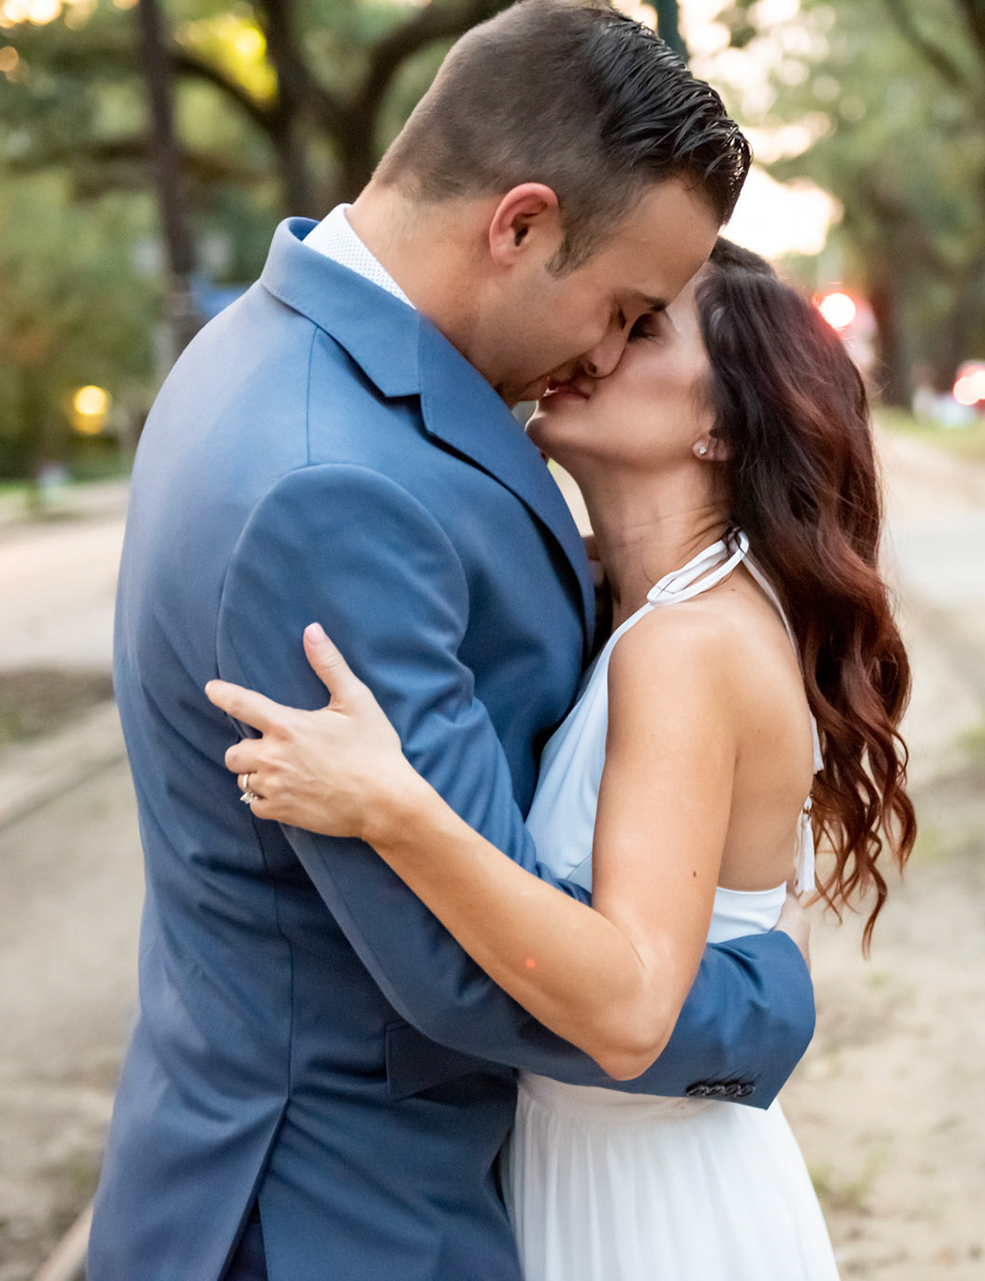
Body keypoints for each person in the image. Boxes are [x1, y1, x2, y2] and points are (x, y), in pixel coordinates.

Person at [87, 6, 821, 1279]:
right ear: (519, 225)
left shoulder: (265, 350)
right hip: (348, 1212)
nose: (604, 352)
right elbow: (460, 971)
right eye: (623, 307)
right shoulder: (332, 482)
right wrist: (762, 1001)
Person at [208, 240, 916, 1279]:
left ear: (721, 425)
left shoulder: (686, 645)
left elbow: (631, 1013)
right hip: (608, 1168)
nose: (597, 346)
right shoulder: (648, 615)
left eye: (643, 328)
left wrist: (392, 808)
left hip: (650, 1210)